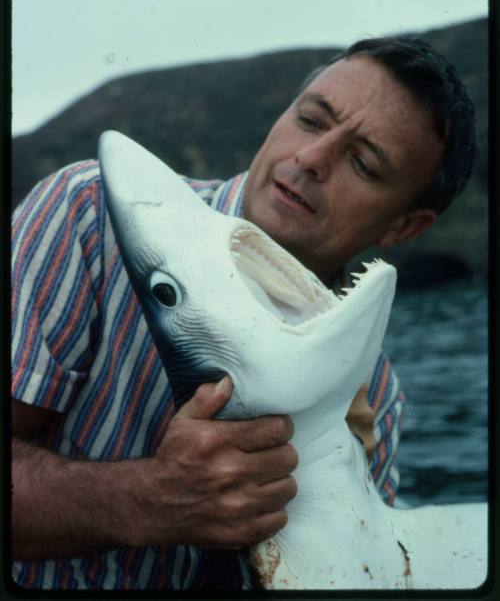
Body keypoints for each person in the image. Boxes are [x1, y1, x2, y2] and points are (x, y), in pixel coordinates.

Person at [11, 36, 476, 591]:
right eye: (309, 119)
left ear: (403, 228)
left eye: (363, 162)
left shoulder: (379, 396)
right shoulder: (90, 215)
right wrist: (143, 499)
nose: (311, 158)